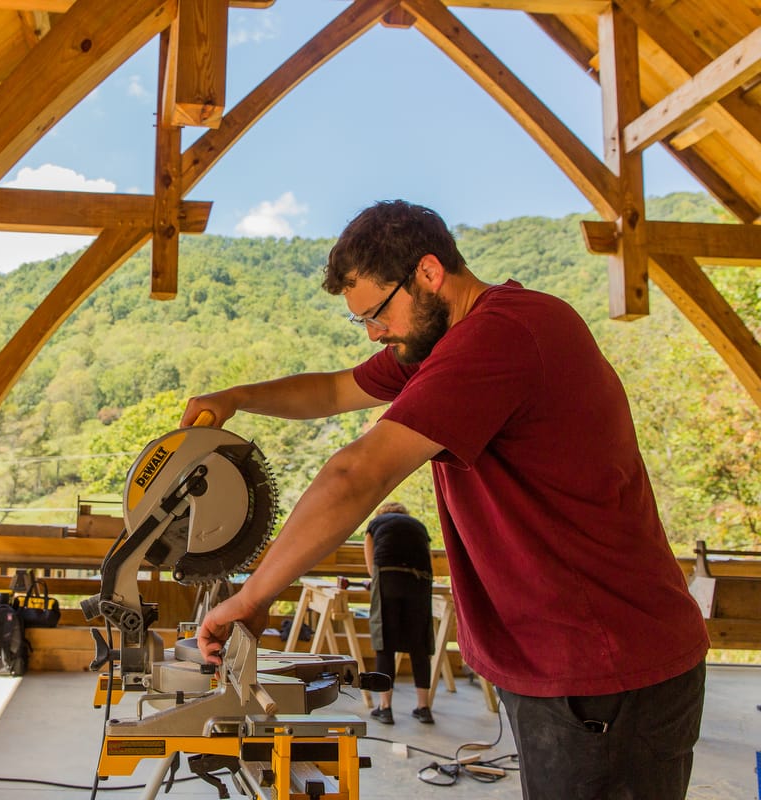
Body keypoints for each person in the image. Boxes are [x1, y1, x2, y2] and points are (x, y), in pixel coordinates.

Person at [183, 200, 709, 799]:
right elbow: (333, 389)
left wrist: (252, 597)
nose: (376, 333)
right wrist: (236, 397)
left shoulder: (501, 337)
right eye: (363, 324)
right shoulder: (435, 345)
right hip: (564, 666)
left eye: (378, 313)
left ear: (429, 273)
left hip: (607, 670)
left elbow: (356, 474)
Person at [363, 501, 435, 725]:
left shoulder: (375, 524)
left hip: (388, 579)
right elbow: (428, 559)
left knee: (385, 643)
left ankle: (385, 708)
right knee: (419, 645)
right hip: (419, 582)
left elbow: (371, 565)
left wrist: (373, 583)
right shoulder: (418, 526)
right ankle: (424, 708)